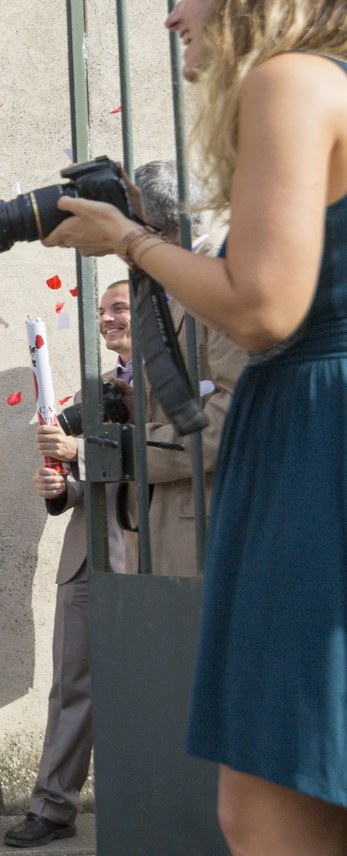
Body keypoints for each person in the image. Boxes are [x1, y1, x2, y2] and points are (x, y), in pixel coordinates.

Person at [41, 0, 347, 856]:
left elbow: (262, 307)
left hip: (316, 447)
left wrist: (129, 242)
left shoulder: (291, 80)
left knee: (276, 825)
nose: (175, 13)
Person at [4, 281, 130, 848]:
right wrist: (59, 487)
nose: (106, 319)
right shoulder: (91, 393)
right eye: (101, 311)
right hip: (85, 558)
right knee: (71, 688)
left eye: (118, 307)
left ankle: (153, 805)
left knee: (154, 686)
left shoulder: (178, 388)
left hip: (150, 559)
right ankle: (54, 808)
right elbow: (84, 484)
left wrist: (78, 451)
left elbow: (164, 456)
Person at [118, 160, 248, 576]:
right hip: (160, 520)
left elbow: (233, 418)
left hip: (206, 522)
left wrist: (125, 451)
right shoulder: (169, 285)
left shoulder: (219, 277)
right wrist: (136, 404)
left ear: (149, 228)